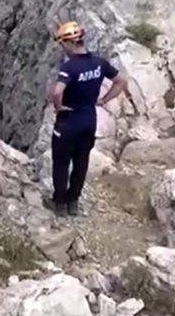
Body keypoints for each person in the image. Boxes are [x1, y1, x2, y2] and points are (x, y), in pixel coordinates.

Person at [44, 21, 129, 217]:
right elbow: (120, 81)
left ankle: (59, 204)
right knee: (81, 161)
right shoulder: (99, 63)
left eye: (62, 44)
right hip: (89, 119)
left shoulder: (70, 67)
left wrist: (58, 107)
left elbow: (57, 91)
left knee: (61, 161)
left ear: (67, 43)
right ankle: (73, 202)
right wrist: (104, 100)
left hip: (69, 120)